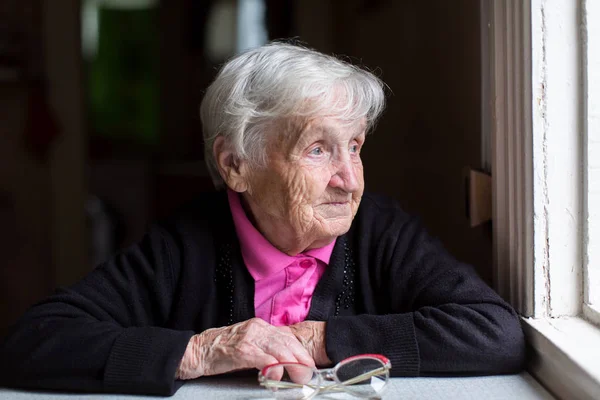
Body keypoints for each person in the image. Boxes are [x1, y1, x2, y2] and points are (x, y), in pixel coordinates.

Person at [0, 42, 525, 396]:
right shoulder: (185, 244)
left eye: (356, 147)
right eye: (318, 150)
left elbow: (495, 332)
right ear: (236, 165)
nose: (350, 179)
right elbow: (35, 341)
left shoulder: (380, 231)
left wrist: (316, 339)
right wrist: (202, 351)